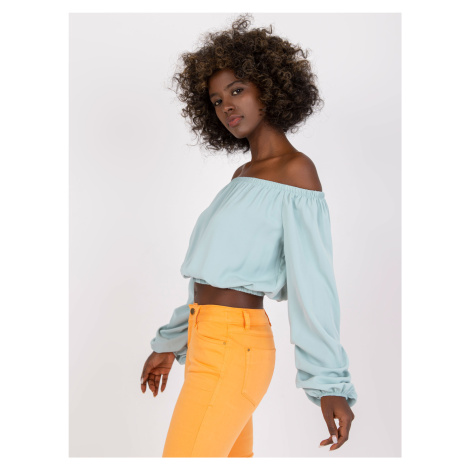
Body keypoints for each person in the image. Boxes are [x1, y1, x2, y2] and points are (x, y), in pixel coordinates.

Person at [140, 13, 357, 457]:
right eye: (217, 100)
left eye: (237, 90)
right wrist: (171, 343)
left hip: (233, 347)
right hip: (209, 341)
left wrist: (329, 384)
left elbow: (313, 284)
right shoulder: (242, 176)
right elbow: (211, 276)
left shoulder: (296, 171)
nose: (227, 106)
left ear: (269, 89)